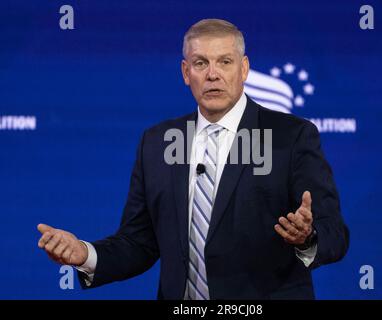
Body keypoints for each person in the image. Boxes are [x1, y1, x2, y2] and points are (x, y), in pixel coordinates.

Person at [37, 18, 349, 299]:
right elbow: (138, 243)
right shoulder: (157, 142)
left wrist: (306, 238)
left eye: (224, 62)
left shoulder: (291, 136)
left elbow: (335, 234)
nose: (213, 74)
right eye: (201, 63)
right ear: (186, 73)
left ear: (244, 69)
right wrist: (85, 254)